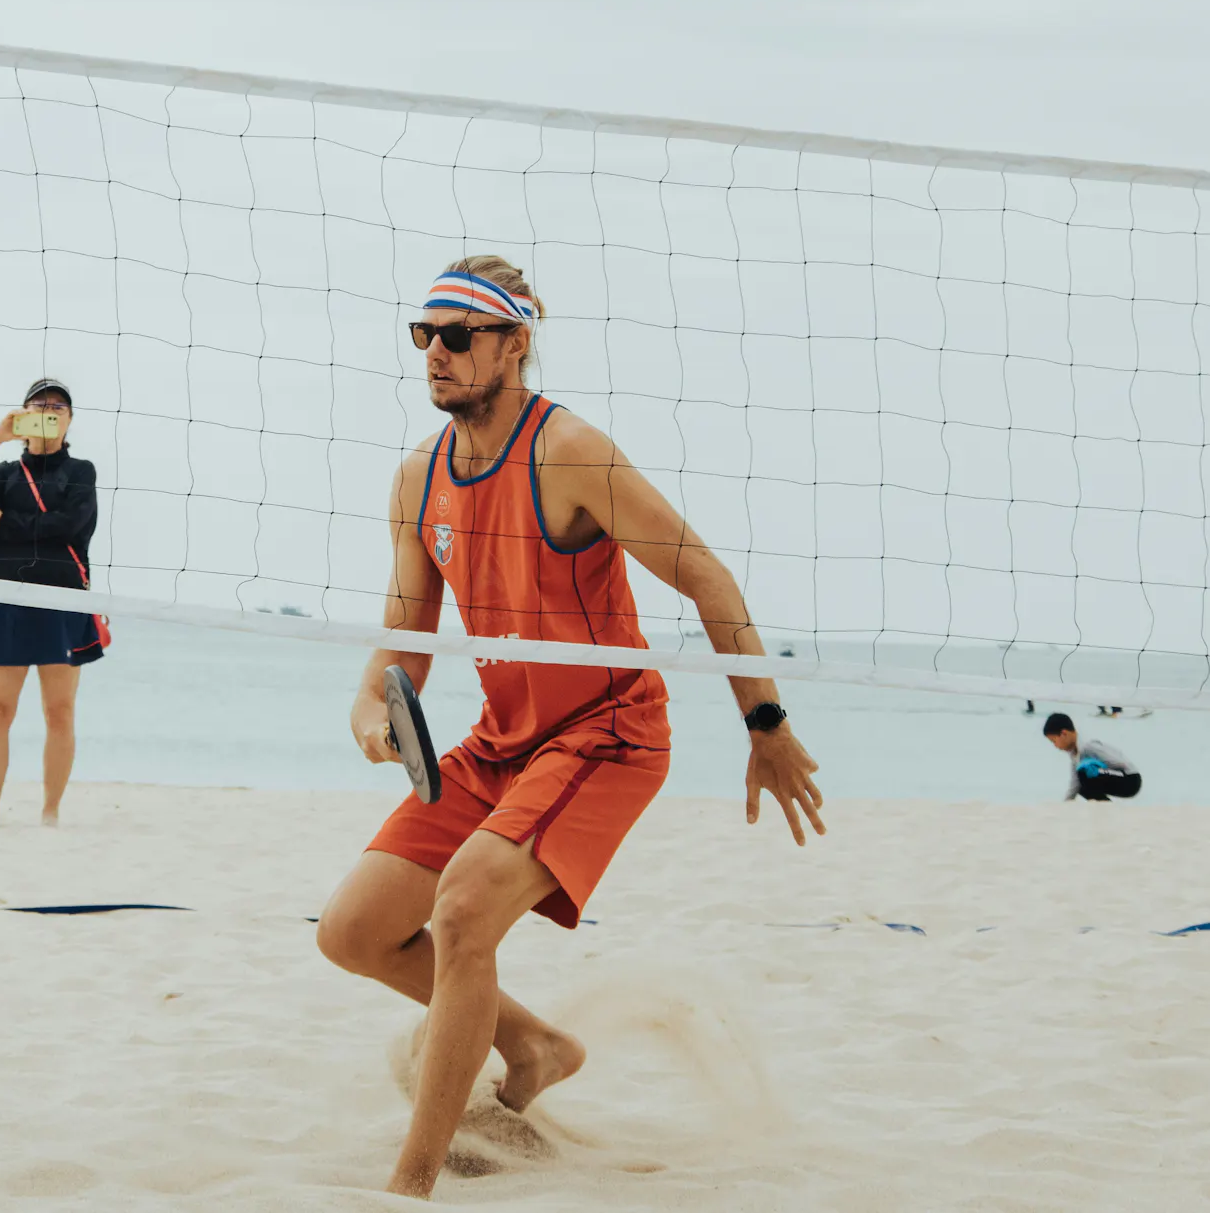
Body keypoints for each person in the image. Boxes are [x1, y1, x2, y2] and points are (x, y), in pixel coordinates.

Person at [314, 256, 827, 1200]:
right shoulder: (416, 477)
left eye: (458, 335)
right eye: (422, 334)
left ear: (513, 345)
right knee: (353, 931)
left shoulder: (570, 453)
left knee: (464, 908)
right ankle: (536, 1042)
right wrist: (370, 704)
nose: (435, 352)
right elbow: (404, 638)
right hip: (503, 738)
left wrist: (766, 723)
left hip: (610, 731)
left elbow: (707, 575)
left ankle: (410, 1183)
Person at [0, 377, 101, 826]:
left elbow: (69, 526)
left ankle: (51, 812)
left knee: (59, 712)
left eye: (58, 405)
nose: (49, 410)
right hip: (7, 598)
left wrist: (5, 522)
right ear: (23, 417)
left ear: (70, 418)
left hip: (62, 599)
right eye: (38, 405)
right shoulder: (2, 473)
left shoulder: (80, 471)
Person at [1044, 712, 1142, 800]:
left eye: (1054, 741)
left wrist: (1102, 769)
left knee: (1085, 771)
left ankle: (1107, 808)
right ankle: (1106, 808)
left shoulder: (1088, 747)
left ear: (1064, 734)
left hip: (1131, 779)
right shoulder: (1074, 754)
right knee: (1080, 784)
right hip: (1115, 777)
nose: (1055, 746)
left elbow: (1122, 764)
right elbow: (1074, 785)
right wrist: (1065, 805)